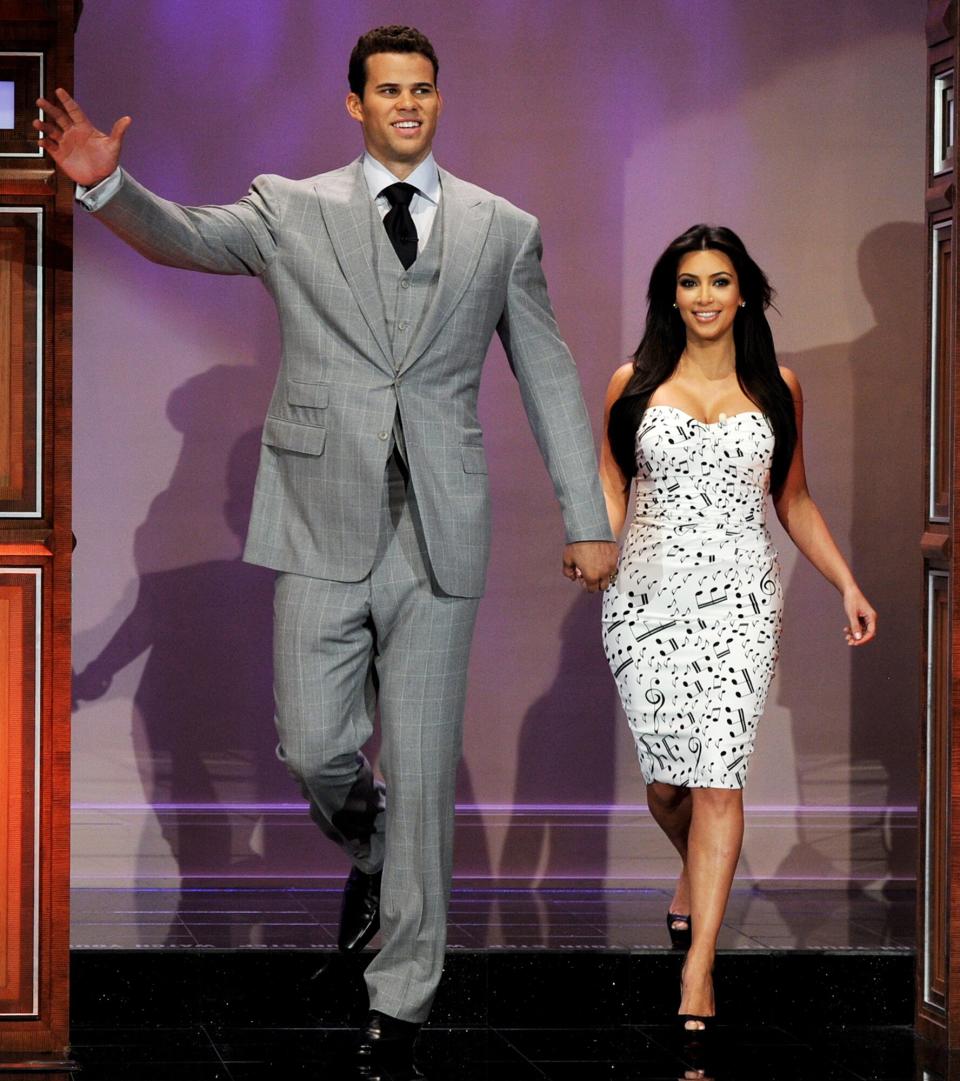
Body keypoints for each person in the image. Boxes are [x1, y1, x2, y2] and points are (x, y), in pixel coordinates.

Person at [38, 24, 617, 1080]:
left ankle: (402, 1004)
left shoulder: (500, 228)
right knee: (313, 746)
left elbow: (547, 374)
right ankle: (376, 846)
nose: (408, 104)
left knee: (429, 766)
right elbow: (186, 237)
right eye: (389, 89)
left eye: (424, 89)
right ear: (355, 103)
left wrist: (587, 516)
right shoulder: (290, 208)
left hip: (441, 526)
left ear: (440, 100)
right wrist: (110, 190)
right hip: (316, 518)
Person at [599, 225, 876, 1033]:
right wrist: (591, 549)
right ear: (672, 296)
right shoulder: (632, 383)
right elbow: (611, 486)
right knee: (668, 783)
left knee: (720, 776)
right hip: (645, 600)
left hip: (742, 602)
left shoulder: (778, 386)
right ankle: (697, 867)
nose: (706, 296)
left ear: (744, 291)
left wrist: (847, 583)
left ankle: (699, 969)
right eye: (690, 283)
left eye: (720, 281)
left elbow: (793, 497)